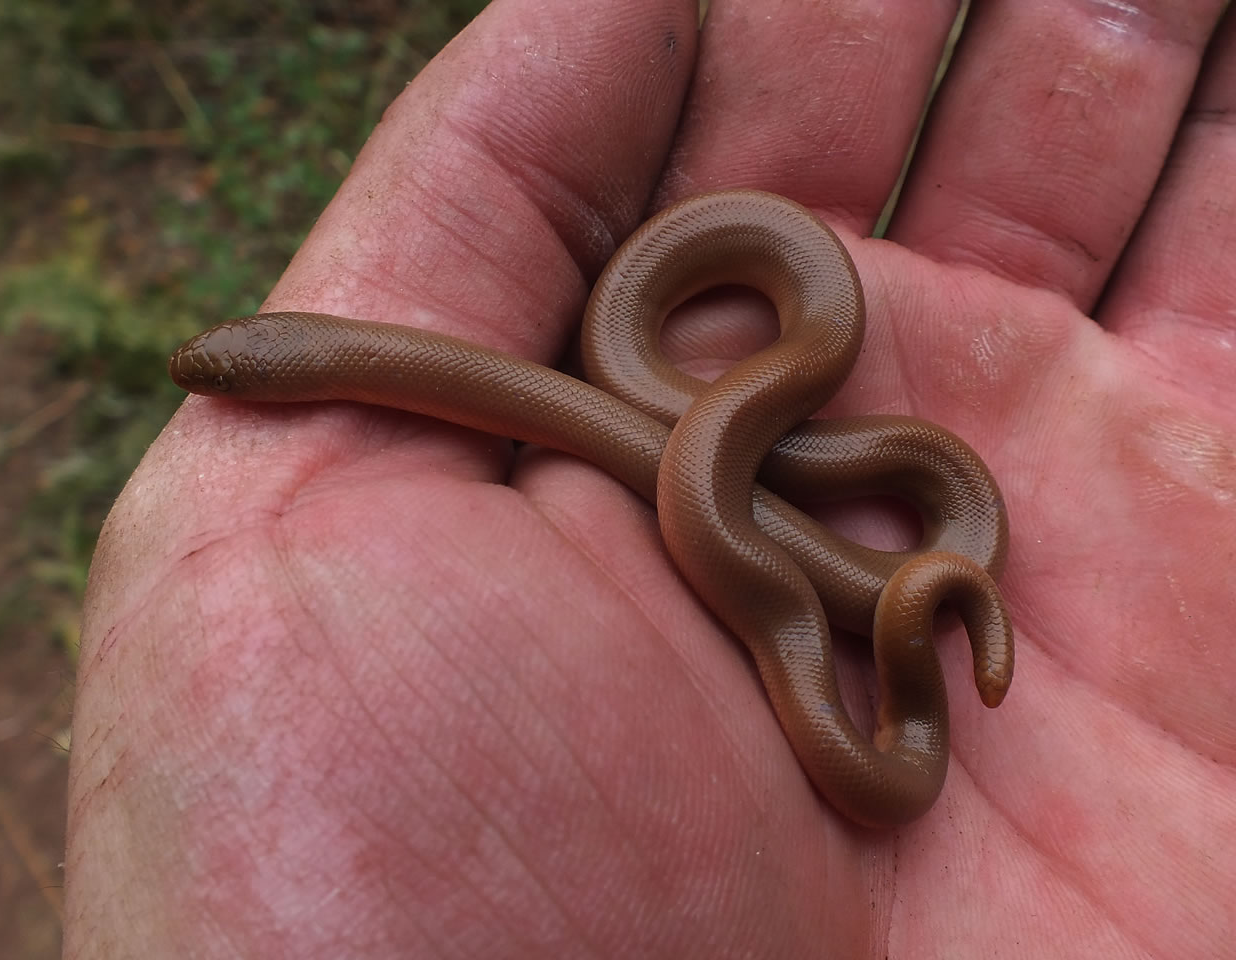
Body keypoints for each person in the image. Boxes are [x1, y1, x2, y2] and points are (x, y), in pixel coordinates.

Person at [62, 0, 1236, 956]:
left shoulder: (852, 470)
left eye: (231, 367)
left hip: (844, 534)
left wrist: (920, 594)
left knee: (723, 469)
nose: (215, 377)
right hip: (837, 579)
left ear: (305, 362)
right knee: (724, 473)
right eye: (235, 370)